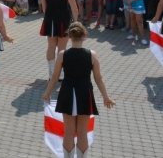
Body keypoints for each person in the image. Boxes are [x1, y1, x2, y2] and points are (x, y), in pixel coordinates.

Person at [42, 22, 115, 158]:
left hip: (67, 93)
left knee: (68, 132)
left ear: (69, 36)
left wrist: (47, 93)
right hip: (85, 94)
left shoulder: (62, 55)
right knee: (82, 133)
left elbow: (54, 77)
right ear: (84, 36)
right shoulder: (92, 55)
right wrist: (106, 97)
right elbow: (98, 78)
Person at [40, 0, 79, 80]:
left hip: (50, 20)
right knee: (62, 48)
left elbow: (44, 7)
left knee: (51, 46)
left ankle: (51, 73)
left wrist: (49, 17)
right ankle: (60, 74)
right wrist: (75, 22)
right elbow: (75, 9)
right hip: (63, 20)